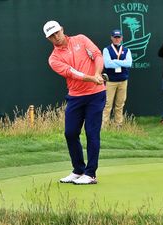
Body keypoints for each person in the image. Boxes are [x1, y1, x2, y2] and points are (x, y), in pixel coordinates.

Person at [43, 20, 106, 185]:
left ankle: (90, 174)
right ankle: (78, 170)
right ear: (48, 39)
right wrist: (92, 78)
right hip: (76, 96)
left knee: (92, 133)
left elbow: (98, 55)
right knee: (70, 133)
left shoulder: (81, 39)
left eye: (57, 32)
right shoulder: (54, 59)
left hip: (96, 95)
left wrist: (98, 73)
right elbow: (72, 73)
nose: (56, 37)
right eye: (51, 36)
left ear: (62, 29)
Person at [102, 29, 133, 127]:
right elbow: (107, 64)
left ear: (121, 38)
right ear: (111, 38)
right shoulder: (106, 49)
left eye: (118, 37)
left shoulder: (126, 50)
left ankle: (118, 124)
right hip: (110, 81)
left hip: (123, 81)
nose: (117, 39)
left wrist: (114, 61)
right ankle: (104, 124)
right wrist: (121, 62)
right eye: (115, 37)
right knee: (107, 104)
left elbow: (128, 63)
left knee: (120, 104)